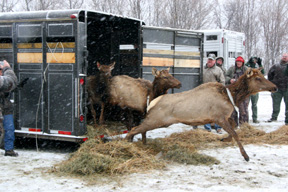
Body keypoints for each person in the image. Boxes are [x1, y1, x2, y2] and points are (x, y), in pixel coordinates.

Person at [203, 54, 225, 133]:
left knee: (217, 111)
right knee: (206, 110)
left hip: (215, 94)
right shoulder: (203, 69)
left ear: (214, 61)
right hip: (204, 93)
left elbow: (222, 82)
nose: (209, 61)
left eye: (211, 60)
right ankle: (207, 128)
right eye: (209, 60)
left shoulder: (218, 70)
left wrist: (219, 90)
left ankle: (218, 127)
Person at [0, 60, 18, 156]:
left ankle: (9, 149)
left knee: (9, 128)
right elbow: (11, 82)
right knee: (8, 128)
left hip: (5, 108)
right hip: (4, 108)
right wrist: (7, 68)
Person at [226, 56, 249, 126]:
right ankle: (233, 125)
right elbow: (225, 76)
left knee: (243, 110)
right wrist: (230, 80)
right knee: (232, 109)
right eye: (237, 62)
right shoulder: (231, 69)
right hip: (233, 92)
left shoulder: (246, 69)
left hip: (243, 93)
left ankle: (244, 125)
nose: (238, 63)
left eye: (240, 62)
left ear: (243, 63)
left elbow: (251, 79)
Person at [267, 53, 288, 125]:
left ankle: (287, 120)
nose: (284, 58)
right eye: (283, 56)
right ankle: (274, 117)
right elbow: (270, 75)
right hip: (277, 89)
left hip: (287, 89)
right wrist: (272, 84)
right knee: (275, 104)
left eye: (286, 57)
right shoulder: (276, 66)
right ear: (281, 57)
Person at [245, 57, 265, 123]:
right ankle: (245, 119)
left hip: (255, 89)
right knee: (245, 105)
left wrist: (260, 63)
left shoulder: (258, 68)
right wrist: (249, 62)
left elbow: (263, 72)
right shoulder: (248, 67)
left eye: (256, 60)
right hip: (247, 89)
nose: (254, 61)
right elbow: (245, 68)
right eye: (253, 60)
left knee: (254, 104)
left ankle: (255, 118)